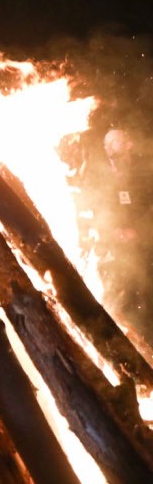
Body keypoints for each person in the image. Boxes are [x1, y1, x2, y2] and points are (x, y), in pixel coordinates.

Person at [93, 128, 153, 348]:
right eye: (106, 143)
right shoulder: (104, 176)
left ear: (129, 144)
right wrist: (111, 232)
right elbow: (99, 209)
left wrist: (140, 231)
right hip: (121, 251)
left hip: (147, 246)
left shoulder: (144, 172)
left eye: (115, 142)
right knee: (129, 298)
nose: (109, 148)